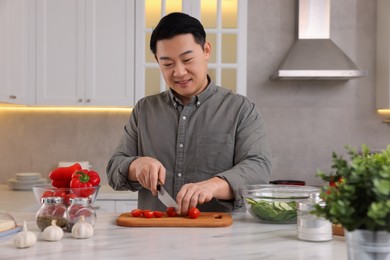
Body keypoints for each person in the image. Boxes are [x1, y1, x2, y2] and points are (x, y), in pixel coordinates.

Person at [106, 12, 272, 216]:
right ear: (157, 61)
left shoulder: (241, 109)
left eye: (187, 59)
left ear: (206, 50)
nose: (179, 72)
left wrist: (214, 185)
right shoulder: (145, 110)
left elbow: (258, 168)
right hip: (153, 237)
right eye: (167, 64)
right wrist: (136, 165)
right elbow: (114, 169)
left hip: (218, 238)